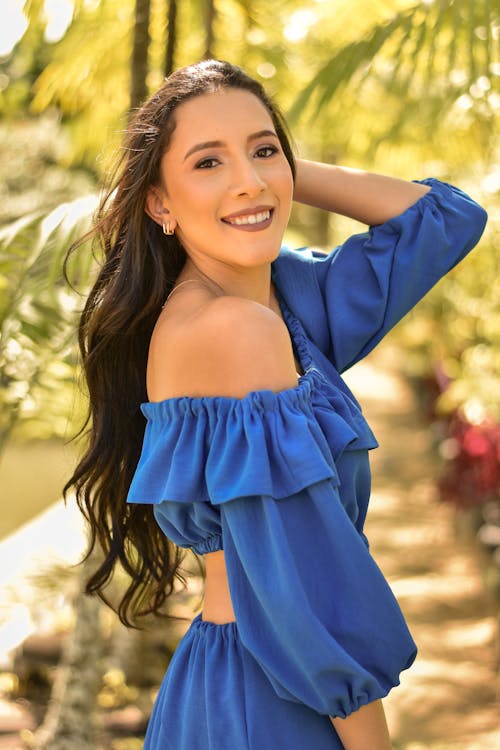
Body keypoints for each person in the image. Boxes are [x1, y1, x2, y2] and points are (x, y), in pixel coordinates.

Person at [65, 59, 487, 749]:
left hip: (246, 680)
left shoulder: (278, 299)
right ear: (158, 203)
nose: (248, 180)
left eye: (264, 149)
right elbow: (307, 589)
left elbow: (446, 220)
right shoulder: (233, 331)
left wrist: (272, 176)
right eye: (207, 163)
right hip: (278, 698)